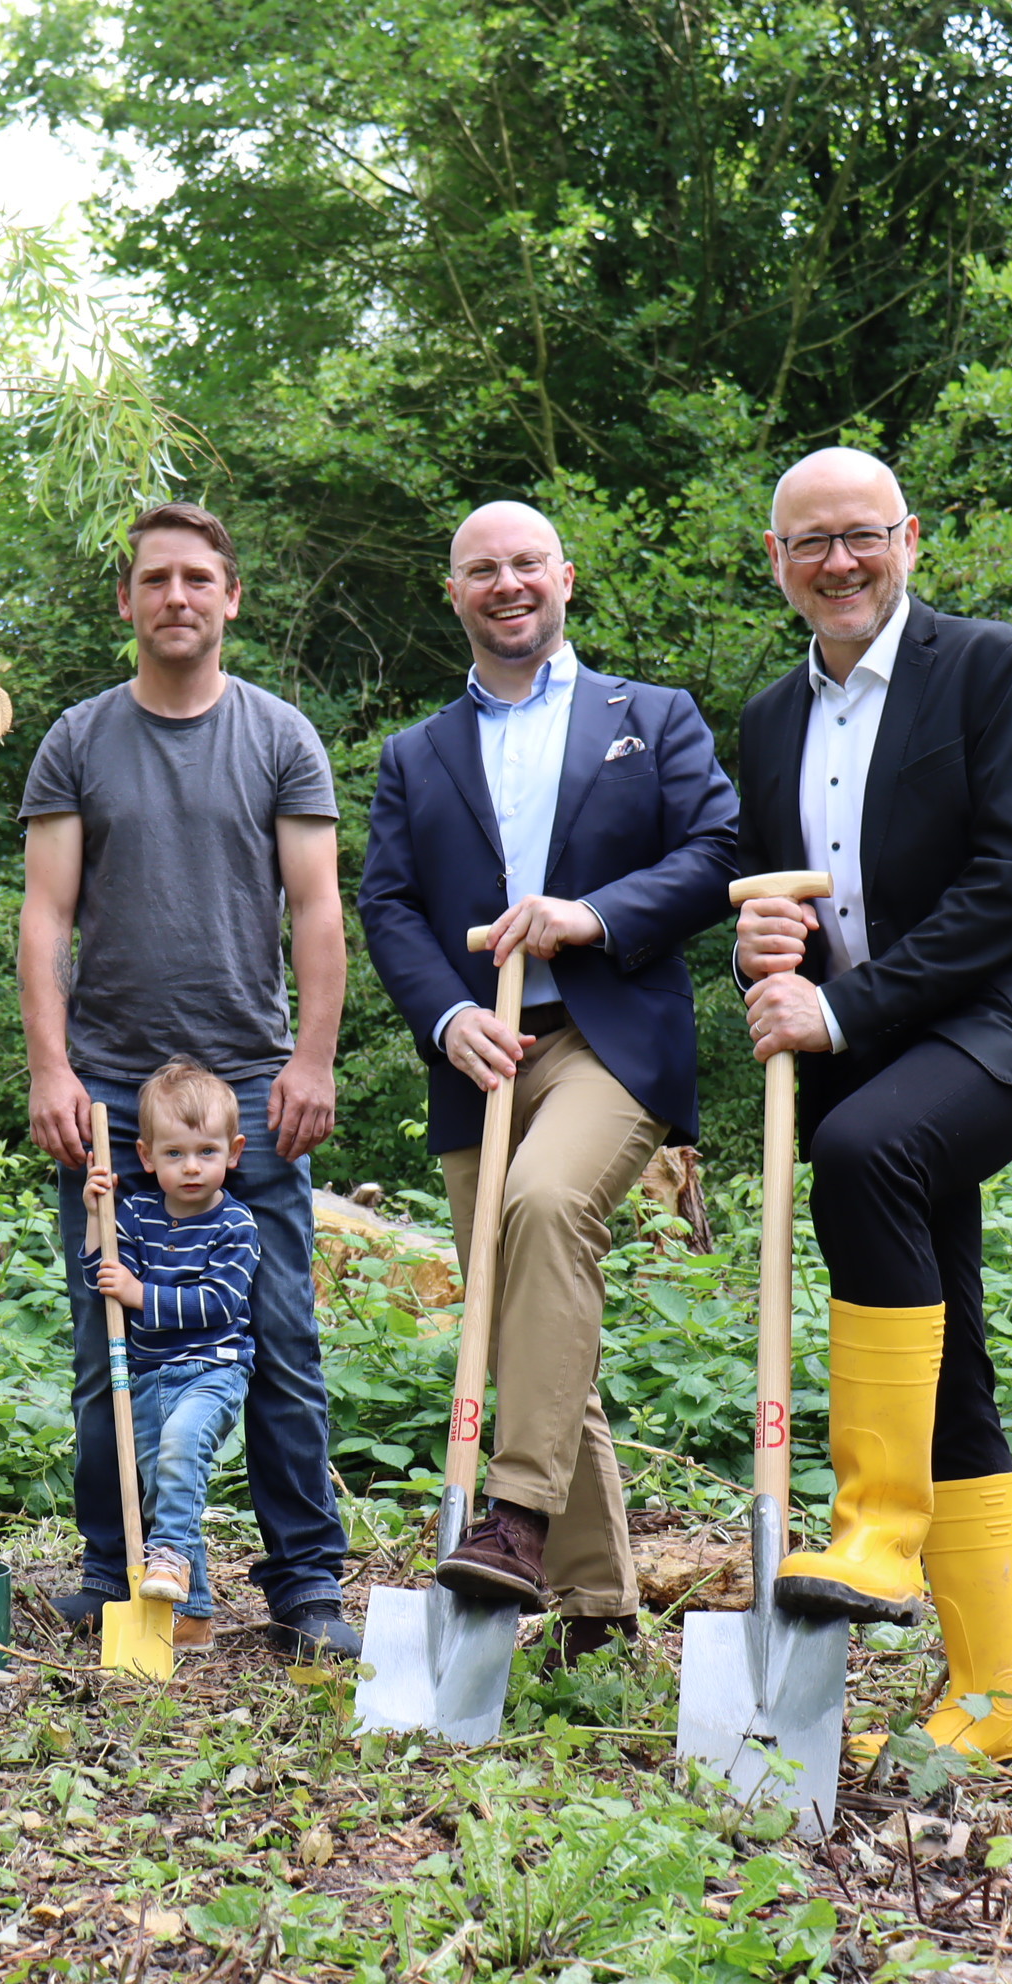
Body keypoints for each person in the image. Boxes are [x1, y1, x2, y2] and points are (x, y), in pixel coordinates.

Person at [733, 446, 1012, 1759]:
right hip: (879, 1046)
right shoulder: (772, 719)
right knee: (957, 1360)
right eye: (810, 542)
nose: (839, 561)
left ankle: (878, 1527)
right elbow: (768, 890)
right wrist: (761, 947)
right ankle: (1004, 1705)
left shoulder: (989, 670)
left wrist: (846, 1006)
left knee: (863, 1153)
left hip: (1003, 1023)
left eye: (862, 535)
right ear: (778, 564)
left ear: (910, 537)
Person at [357, 500, 740, 1658]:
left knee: (545, 1207)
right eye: (485, 570)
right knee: (522, 1319)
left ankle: (513, 1515)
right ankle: (599, 1608)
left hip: (609, 1041)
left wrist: (593, 913)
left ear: (565, 578)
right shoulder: (414, 755)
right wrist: (444, 1013)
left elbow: (717, 850)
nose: (509, 583)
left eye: (528, 563)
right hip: (484, 1051)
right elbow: (389, 904)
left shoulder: (653, 718)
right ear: (456, 592)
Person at [17, 500, 358, 1661]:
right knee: (105, 1336)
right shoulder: (77, 739)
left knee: (277, 1340)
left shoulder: (278, 738)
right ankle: (121, 1578)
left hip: (250, 1089)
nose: (176, 596)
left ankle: (307, 1584)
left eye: (197, 578)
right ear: (127, 600)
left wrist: (311, 1060)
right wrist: (50, 1068)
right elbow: (46, 914)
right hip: (109, 1092)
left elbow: (316, 908)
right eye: (155, 578)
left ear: (229, 599)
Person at [77, 1057, 259, 1648]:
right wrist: (92, 1217)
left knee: (182, 1454)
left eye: (206, 1152)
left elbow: (219, 1302)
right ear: (147, 1156)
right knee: (164, 1491)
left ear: (233, 1152)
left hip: (212, 1371)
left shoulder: (236, 1222)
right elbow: (102, 1279)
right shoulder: (134, 1214)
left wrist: (140, 1293)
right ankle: (195, 1616)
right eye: (175, 1154)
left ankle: (172, 1560)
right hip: (150, 1376)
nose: (191, 1167)